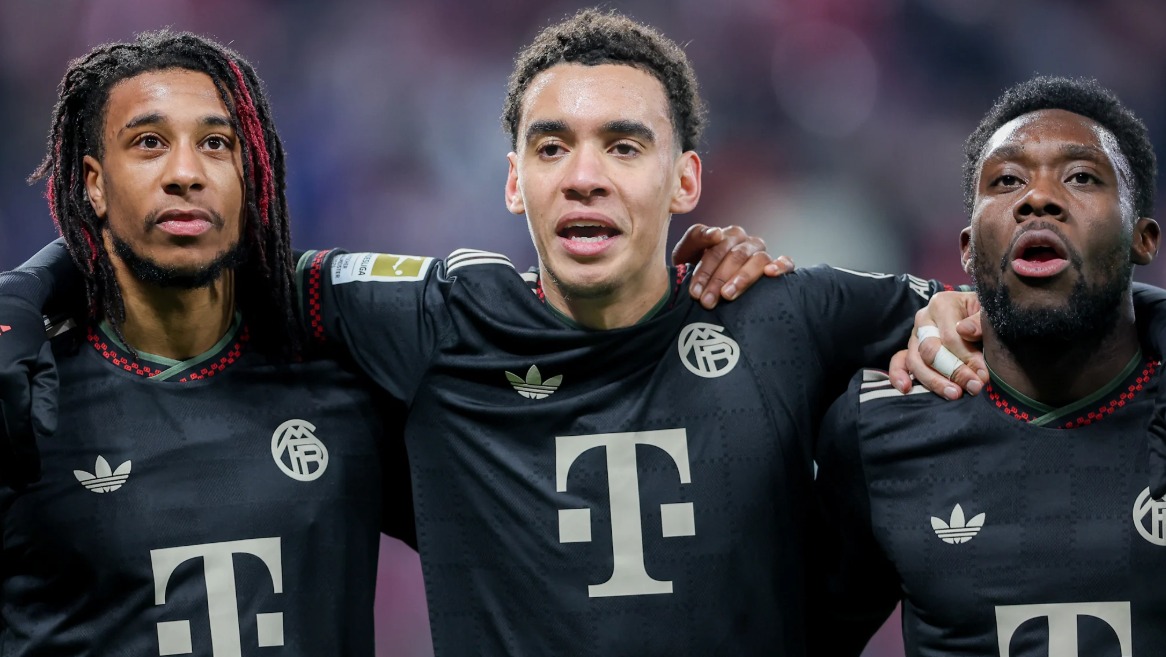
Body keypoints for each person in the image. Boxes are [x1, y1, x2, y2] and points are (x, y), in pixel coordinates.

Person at [0, 27, 785, 655]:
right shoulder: (24, 392)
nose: (186, 172)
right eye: (148, 144)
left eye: (217, 143)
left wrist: (700, 285)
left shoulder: (349, 372)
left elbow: (567, 398)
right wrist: (25, 290)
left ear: (253, 173)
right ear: (93, 181)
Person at [295, 9, 986, 654]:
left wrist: (945, 319)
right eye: (551, 148)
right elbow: (250, 269)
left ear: (685, 180)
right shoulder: (441, 323)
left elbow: (998, 315)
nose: (584, 177)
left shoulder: (782, 314)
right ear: (513, 182)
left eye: (623, 147)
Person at [811, 76, 1166, 656]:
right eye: (1006, 181)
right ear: (968, 250)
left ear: (1143, 239)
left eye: (1081, 176)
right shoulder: (878, 429)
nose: (1038, 198)